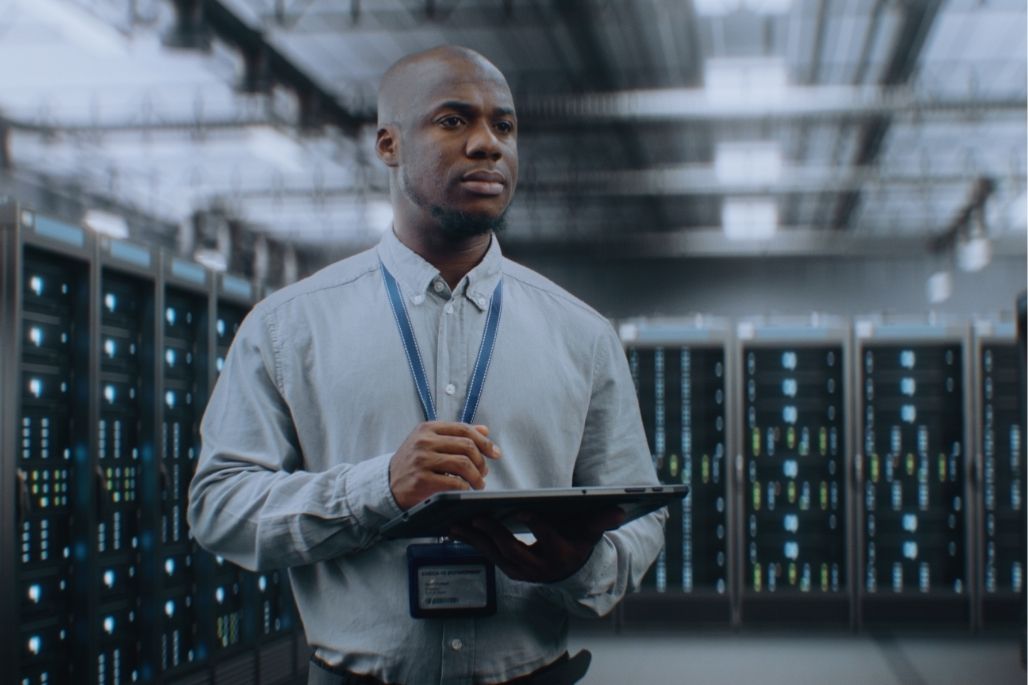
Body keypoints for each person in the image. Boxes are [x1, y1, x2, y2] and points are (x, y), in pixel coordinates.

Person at [188, 45, 665, 685]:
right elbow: (219, 506)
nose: (487, 144)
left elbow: (640, 514)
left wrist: (577, 565)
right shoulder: (287, 327)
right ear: (389, 144)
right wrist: (378, 488)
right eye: (453, 120)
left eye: (504, 126)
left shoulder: (580, 333)